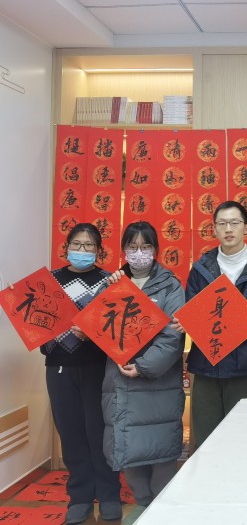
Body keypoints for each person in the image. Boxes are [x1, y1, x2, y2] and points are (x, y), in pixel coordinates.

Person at [178, 201, 247, 449]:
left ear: (246, 228)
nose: (228, 229)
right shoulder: (201, 268)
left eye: (234, 223)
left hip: (246, 363)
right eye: (222, 223)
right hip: (206, 363)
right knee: (205, 437)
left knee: (243, 437)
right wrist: (188, 321)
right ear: (214, 229)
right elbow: (191, 307)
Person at [100, 221, 185, 521]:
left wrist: (144, 366)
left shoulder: (170, 285)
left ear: (156, 250)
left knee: (161, 450)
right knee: (127, 448)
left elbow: (173, 336)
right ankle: (142, 503)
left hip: (157, 383)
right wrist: (107, 289)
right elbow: (97, 324)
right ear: (124, 250)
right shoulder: (112, 283)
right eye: (132, 247)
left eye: (145, 247)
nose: (139, 253)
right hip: (120, 381)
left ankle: (160, 508)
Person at [41, 223, 121, 524]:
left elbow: (118, 330)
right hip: (59, 366)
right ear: (66, 247)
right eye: (77, 244)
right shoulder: (50, 281)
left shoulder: (108, 281)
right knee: (71, 432)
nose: (82, 250)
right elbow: (39, 323)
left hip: (98, 366)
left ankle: (109, 494)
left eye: (89, 246)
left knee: (101, 432)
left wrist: (93, 332)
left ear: (99, 250)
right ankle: (80, 497)